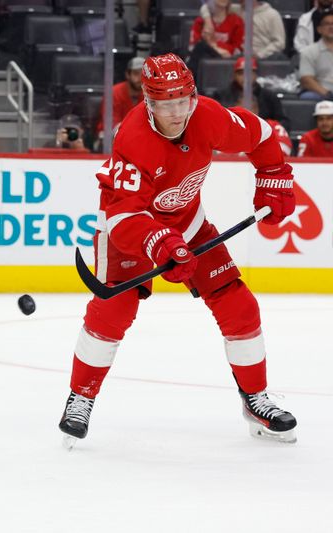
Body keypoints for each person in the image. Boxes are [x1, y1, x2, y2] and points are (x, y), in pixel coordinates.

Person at [58, 53, 298, 446]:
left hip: (188, 223)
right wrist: (159, 242)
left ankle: (254, 399)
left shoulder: (208, 115)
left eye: (183, 102)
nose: (176, 114)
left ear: (194, 96)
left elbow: (262, 135)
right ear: (148, 103)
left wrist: (274, 173)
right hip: (130, 231)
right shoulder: (132, 138)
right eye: (165, 105)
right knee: (113, 311)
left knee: (240, 306)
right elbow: (122, 217)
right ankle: (80, 398)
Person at [212, 57, 288, 130]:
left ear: (256, 75)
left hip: (261, 137)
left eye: (249, 73)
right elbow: (214, 120)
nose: (245, 77)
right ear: (234, 75)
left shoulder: (269, 97)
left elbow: (284, 123)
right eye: (241, 73)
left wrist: (266, 128)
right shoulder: (220, 95)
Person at [186, 0, 243, 80]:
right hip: (203, 61)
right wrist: (216, 47)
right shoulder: (200, 21)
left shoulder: (236, 21)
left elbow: (236, 50)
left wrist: (213, 45)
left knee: (202, 46)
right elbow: (193, 47)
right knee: (200, 47)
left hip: (226, 62)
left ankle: (186, 82)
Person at [97, 56, 144, 137]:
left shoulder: (151, 94)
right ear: (128, 74)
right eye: (136, 73)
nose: (140, 78)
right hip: (109, 138)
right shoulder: (114, 92)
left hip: (139, 136)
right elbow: (111, 124)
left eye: (144, 74)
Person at [298, 7, 333, 101]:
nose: (331, 27)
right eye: (327, 24)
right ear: (319, 29)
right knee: (308, 97)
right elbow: (306, 80)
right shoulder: (308, 51)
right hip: (321, 93)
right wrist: (327, 94)